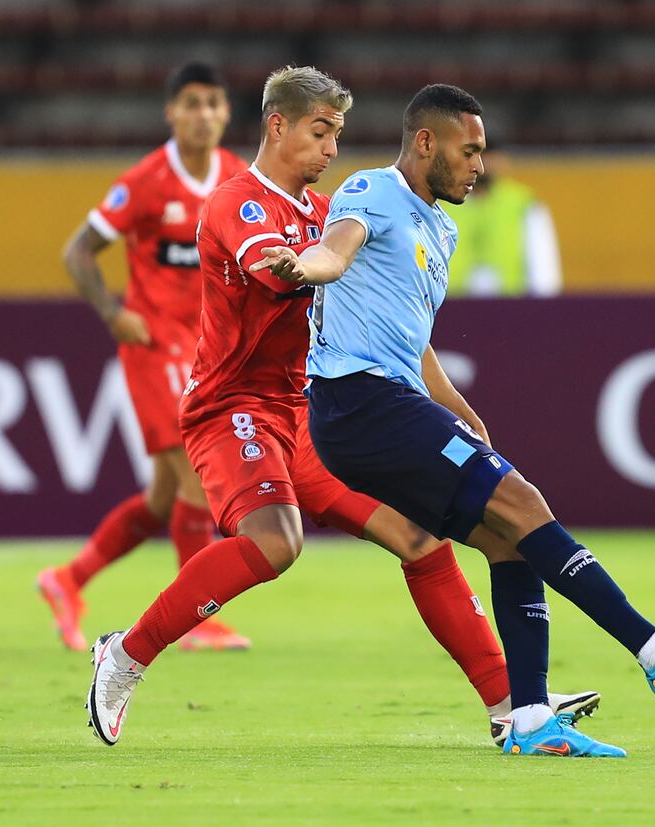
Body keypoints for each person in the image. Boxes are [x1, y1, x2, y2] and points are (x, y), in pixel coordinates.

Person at [83, 67, 598, 749]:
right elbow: (271, 263)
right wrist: (302, 264)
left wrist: (453, 405)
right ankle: (125, 655)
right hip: (234, 406)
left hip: (310, 412)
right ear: (279, 126)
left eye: (338, 136)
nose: (331, 151)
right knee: (276, 540)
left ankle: (508, 702)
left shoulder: (328, 215)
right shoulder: (237, 201)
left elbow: (393, 331)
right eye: (320, 133)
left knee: (419, 536)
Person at [253, 84, 655, 758]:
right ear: (426, 142)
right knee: (523, 500)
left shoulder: (442, 227)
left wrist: (461, 412)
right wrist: (301, 264)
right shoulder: (372, 191)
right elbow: (335, 254)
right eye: (470, 150)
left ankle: (532, 720)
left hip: (388, 404)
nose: (479, 164)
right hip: (357, 404)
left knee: (508, 538)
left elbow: (412, 339)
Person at [38, 63, 251, 652]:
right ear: (171, 112)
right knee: (194, 472)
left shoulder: (236, 178)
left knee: (165, 497)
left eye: (213, 103)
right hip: (154, 343)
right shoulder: (147, 181)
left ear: (227, 113)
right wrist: (111, 311)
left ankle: (66, 579)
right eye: (191, 103)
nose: (203, 114)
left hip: (208, 347)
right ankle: (198, 620)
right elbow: (79, 251)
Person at [442, 142, 562, 297]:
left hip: (511, 309)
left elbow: (544, 270)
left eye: (490, 156)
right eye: (474, 155)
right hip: (451, 309)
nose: (483, 164)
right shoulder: (442, 205)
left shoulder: (523, 204)